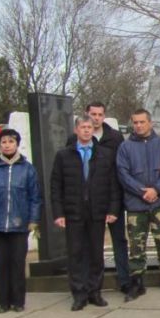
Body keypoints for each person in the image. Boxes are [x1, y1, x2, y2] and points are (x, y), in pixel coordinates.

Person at [51, 115, 120, 311]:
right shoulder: (63, 155)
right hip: (74, 212)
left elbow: (113, 184)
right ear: (76, 130)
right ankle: (79, 294)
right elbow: (56, 186)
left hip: (97, 211)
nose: (86, 130)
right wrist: (58, 213)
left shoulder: (105, 154)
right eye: (83, 127)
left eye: (89, 127)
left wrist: (113, 209)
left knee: (96, 254)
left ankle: (95, 291)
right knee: (76, 254)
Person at [116, 109, 160, 301]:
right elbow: (123, 174)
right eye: (135, 122)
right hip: (136, 205)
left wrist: (156, 190)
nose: (138, 126)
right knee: (136, 246)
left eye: (142, 122)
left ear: (150, 123)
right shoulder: (125, 148)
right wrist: (142, 191)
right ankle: (136, 283)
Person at [65, 102, 130, 295]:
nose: (96, 118)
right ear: (86, 115)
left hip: (111, 198)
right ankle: (87, 285)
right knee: (88, 244)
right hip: (87, 202)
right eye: (93, 114)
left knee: (118, 240)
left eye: (100, 114)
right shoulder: (73, 139)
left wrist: (116, 202)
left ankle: (124, 280)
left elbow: (118, 170)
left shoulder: (115, 137)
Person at [0, 129, 42, 313]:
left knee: (17, 262)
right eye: (3, 142)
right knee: (1, 262)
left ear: (17, 144)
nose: (7, 145)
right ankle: (3, 302)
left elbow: (35, 197)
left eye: (10, 142)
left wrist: (33, 219)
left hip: (19, 224)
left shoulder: (27, 169)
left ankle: (18, 301)